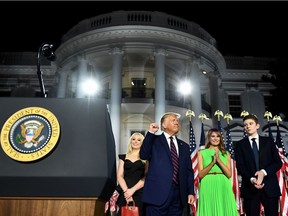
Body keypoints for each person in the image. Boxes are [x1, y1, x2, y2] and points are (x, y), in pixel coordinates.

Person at [140, 112, 195, 216]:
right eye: (173, 120)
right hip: (157, 194)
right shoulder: (154, 140)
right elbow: (143, 155)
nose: (176, 123)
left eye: (177, 121)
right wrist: (151, 132)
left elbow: (188, 171)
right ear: (164, 125)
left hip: (178, 196)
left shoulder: (185, 146)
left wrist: (190, 192)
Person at [235, 114, 282, 216]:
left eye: (251, 123)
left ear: (257, 126)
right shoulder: (239, 145)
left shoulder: (268, 141)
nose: (248, 126)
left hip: (269, 187)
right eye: (245, 125)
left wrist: (263, 172)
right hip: (250, 188)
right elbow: (240, 166)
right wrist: (252, 179)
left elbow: (278, 162)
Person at [197, 128, 238, 216]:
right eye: (213, 136)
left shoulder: (226, 153)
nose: (215, 139)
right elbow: (200, 175)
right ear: (209, 138)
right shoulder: (201, 153)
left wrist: (219, 160)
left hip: (223, 184)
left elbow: (229, 174)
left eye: (218, 136)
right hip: (207, 184)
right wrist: (212, 163)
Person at [116, 132, 148, 216]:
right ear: (130, 141)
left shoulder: (146, 159)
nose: (135, 141)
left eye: (139, 140)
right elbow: (119, 176)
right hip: (124, 191)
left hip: (139, 192)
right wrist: (127, 192)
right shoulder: (123, 157)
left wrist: (132, 190)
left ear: (142, 143)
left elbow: (146, 177)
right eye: (133, 139)